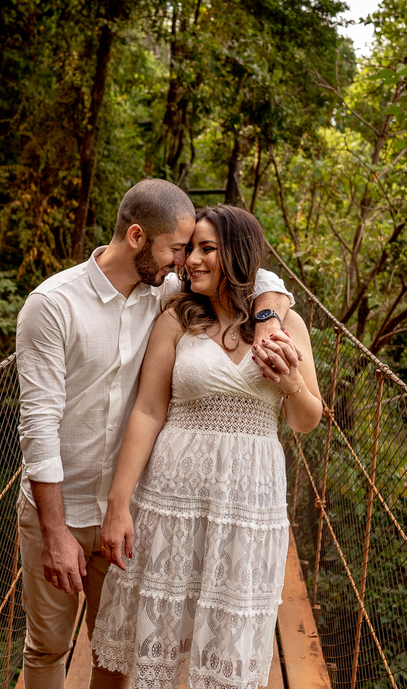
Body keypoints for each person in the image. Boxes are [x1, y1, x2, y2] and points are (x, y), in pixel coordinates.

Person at [15, 180, 301, 689]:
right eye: (178, 248)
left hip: (130, 509)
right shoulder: (52, 305)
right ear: (136, 237)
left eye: (195, 250)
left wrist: (266, 317)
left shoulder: (167, 291)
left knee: (116, 655)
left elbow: (253, 270)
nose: (185, 261)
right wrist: (55, 532)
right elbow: (37, 427)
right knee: (47, 648)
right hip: (58, 506)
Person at [90, 204, 321, 689]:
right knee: (133, 639)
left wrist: (292, 382)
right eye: (189, 248)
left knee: (223, 649)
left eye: (206, 248)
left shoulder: (286, 327)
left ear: (236, 254)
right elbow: (149, 411)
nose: (190, 259)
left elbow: (306, 421)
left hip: (246, 504)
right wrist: (119, 505)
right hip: (171, 499)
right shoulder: (177, 318)